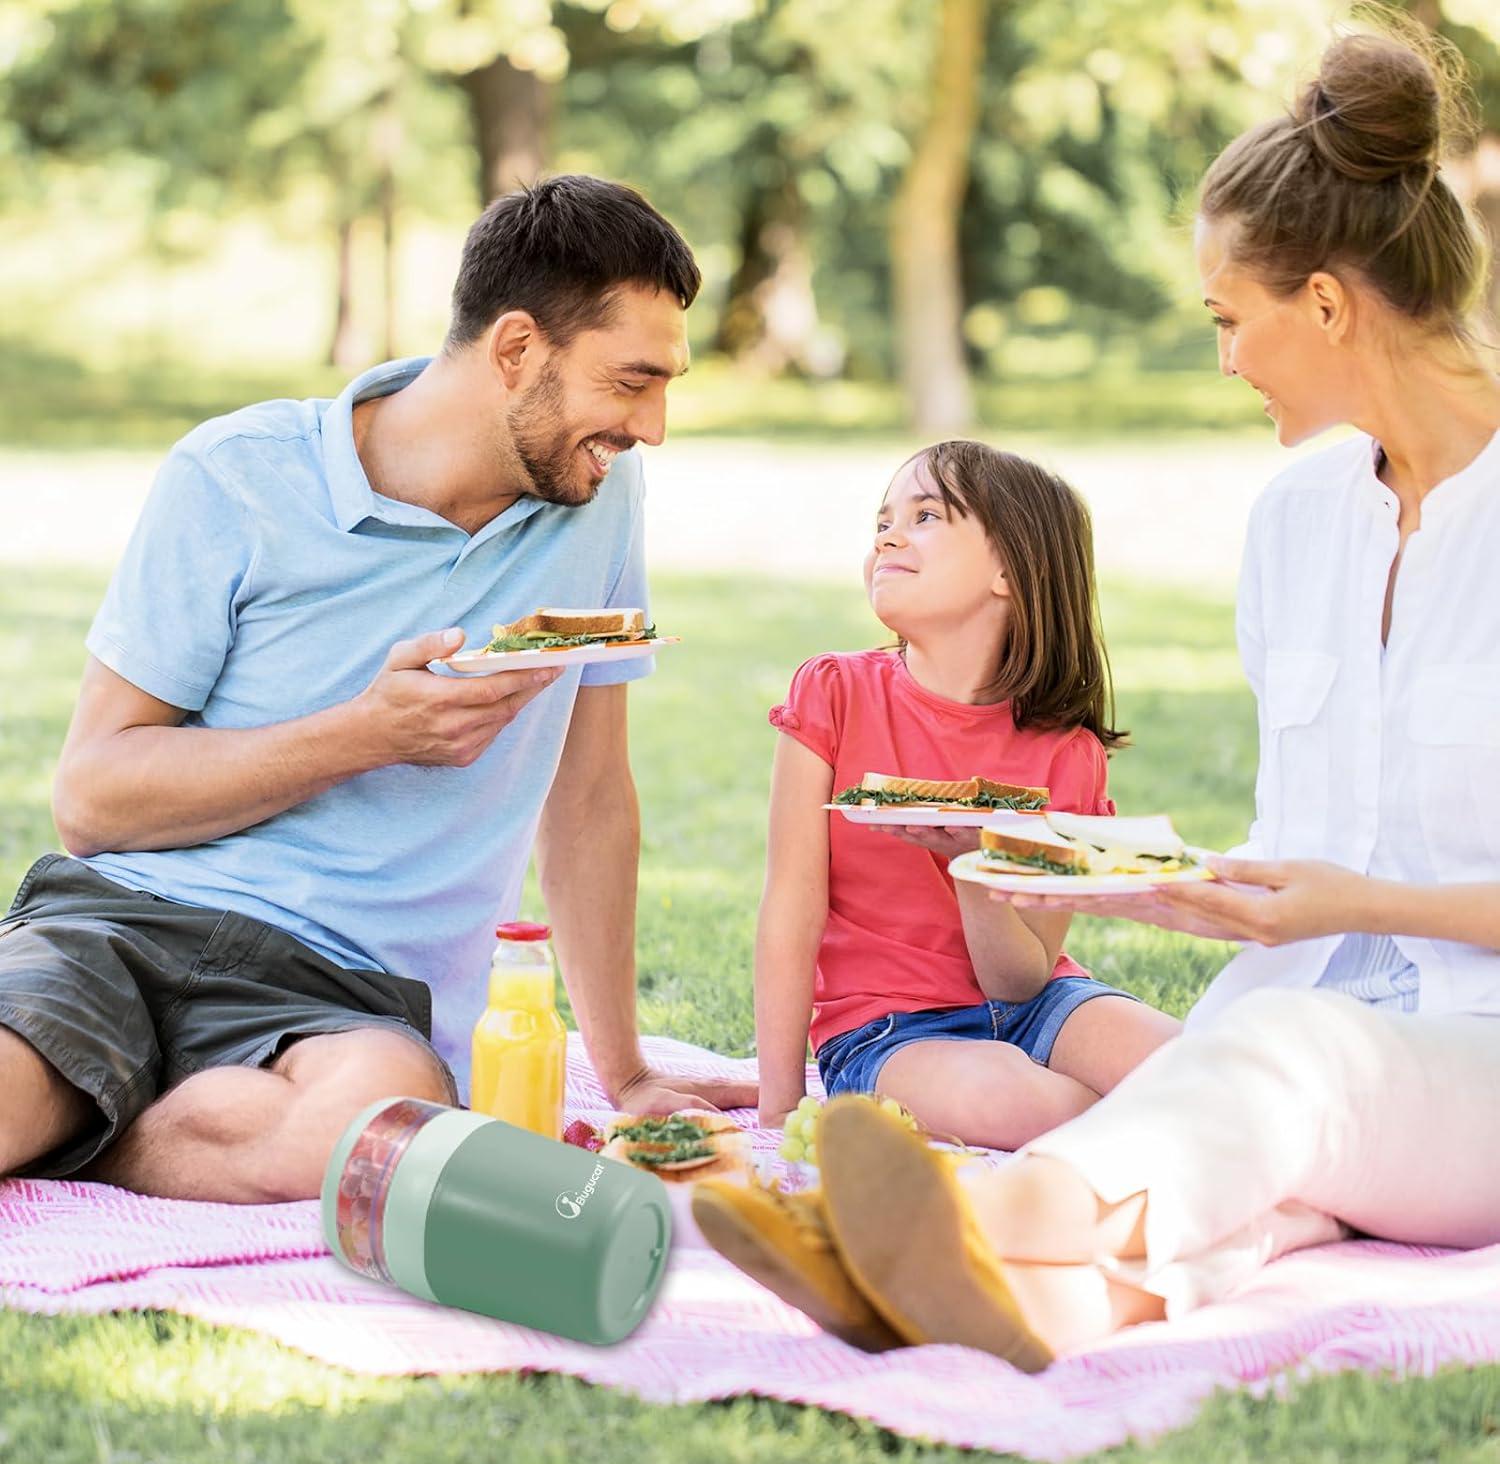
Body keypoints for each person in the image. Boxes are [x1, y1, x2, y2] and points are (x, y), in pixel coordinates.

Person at [758, 21, 1500, 1369]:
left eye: (1231, 319)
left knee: (1292, 1082)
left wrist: (1363, 908)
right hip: (1295, 1022)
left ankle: (964, 1239)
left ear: (1329, 305)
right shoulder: (1296, 525)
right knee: (1257, 1147)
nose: (1223, 360)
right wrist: (1146, 888)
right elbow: (1299, 870)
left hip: (1467, 1055)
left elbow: (1356, 896)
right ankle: (1037, 1292)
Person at [0, 174, 754, 1204]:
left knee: (381, 1139)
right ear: (517, 348)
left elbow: (588, 796)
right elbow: (91, 803)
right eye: (631, 382)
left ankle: (94, 1120)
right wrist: (364, 733)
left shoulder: (598, 499)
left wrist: (624, 1073)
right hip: (126, 925)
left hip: (356, 994)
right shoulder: (235, 476)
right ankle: (78, 1094)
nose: (654, 425)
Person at [691, 441, 1179, 1350]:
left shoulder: (1064, 754)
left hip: (1038, 1001)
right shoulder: (832, 693)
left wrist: (974, 868)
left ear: (1010, 569)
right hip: (886, 1028)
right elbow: (789, 909)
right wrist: (775, 1105)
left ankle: (1198, 1185)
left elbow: (1021, 985)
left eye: (924, 517)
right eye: (882, 518)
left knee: (1191, 1065)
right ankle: (1096, 1211)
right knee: (1016, 1101)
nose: (888, 535)